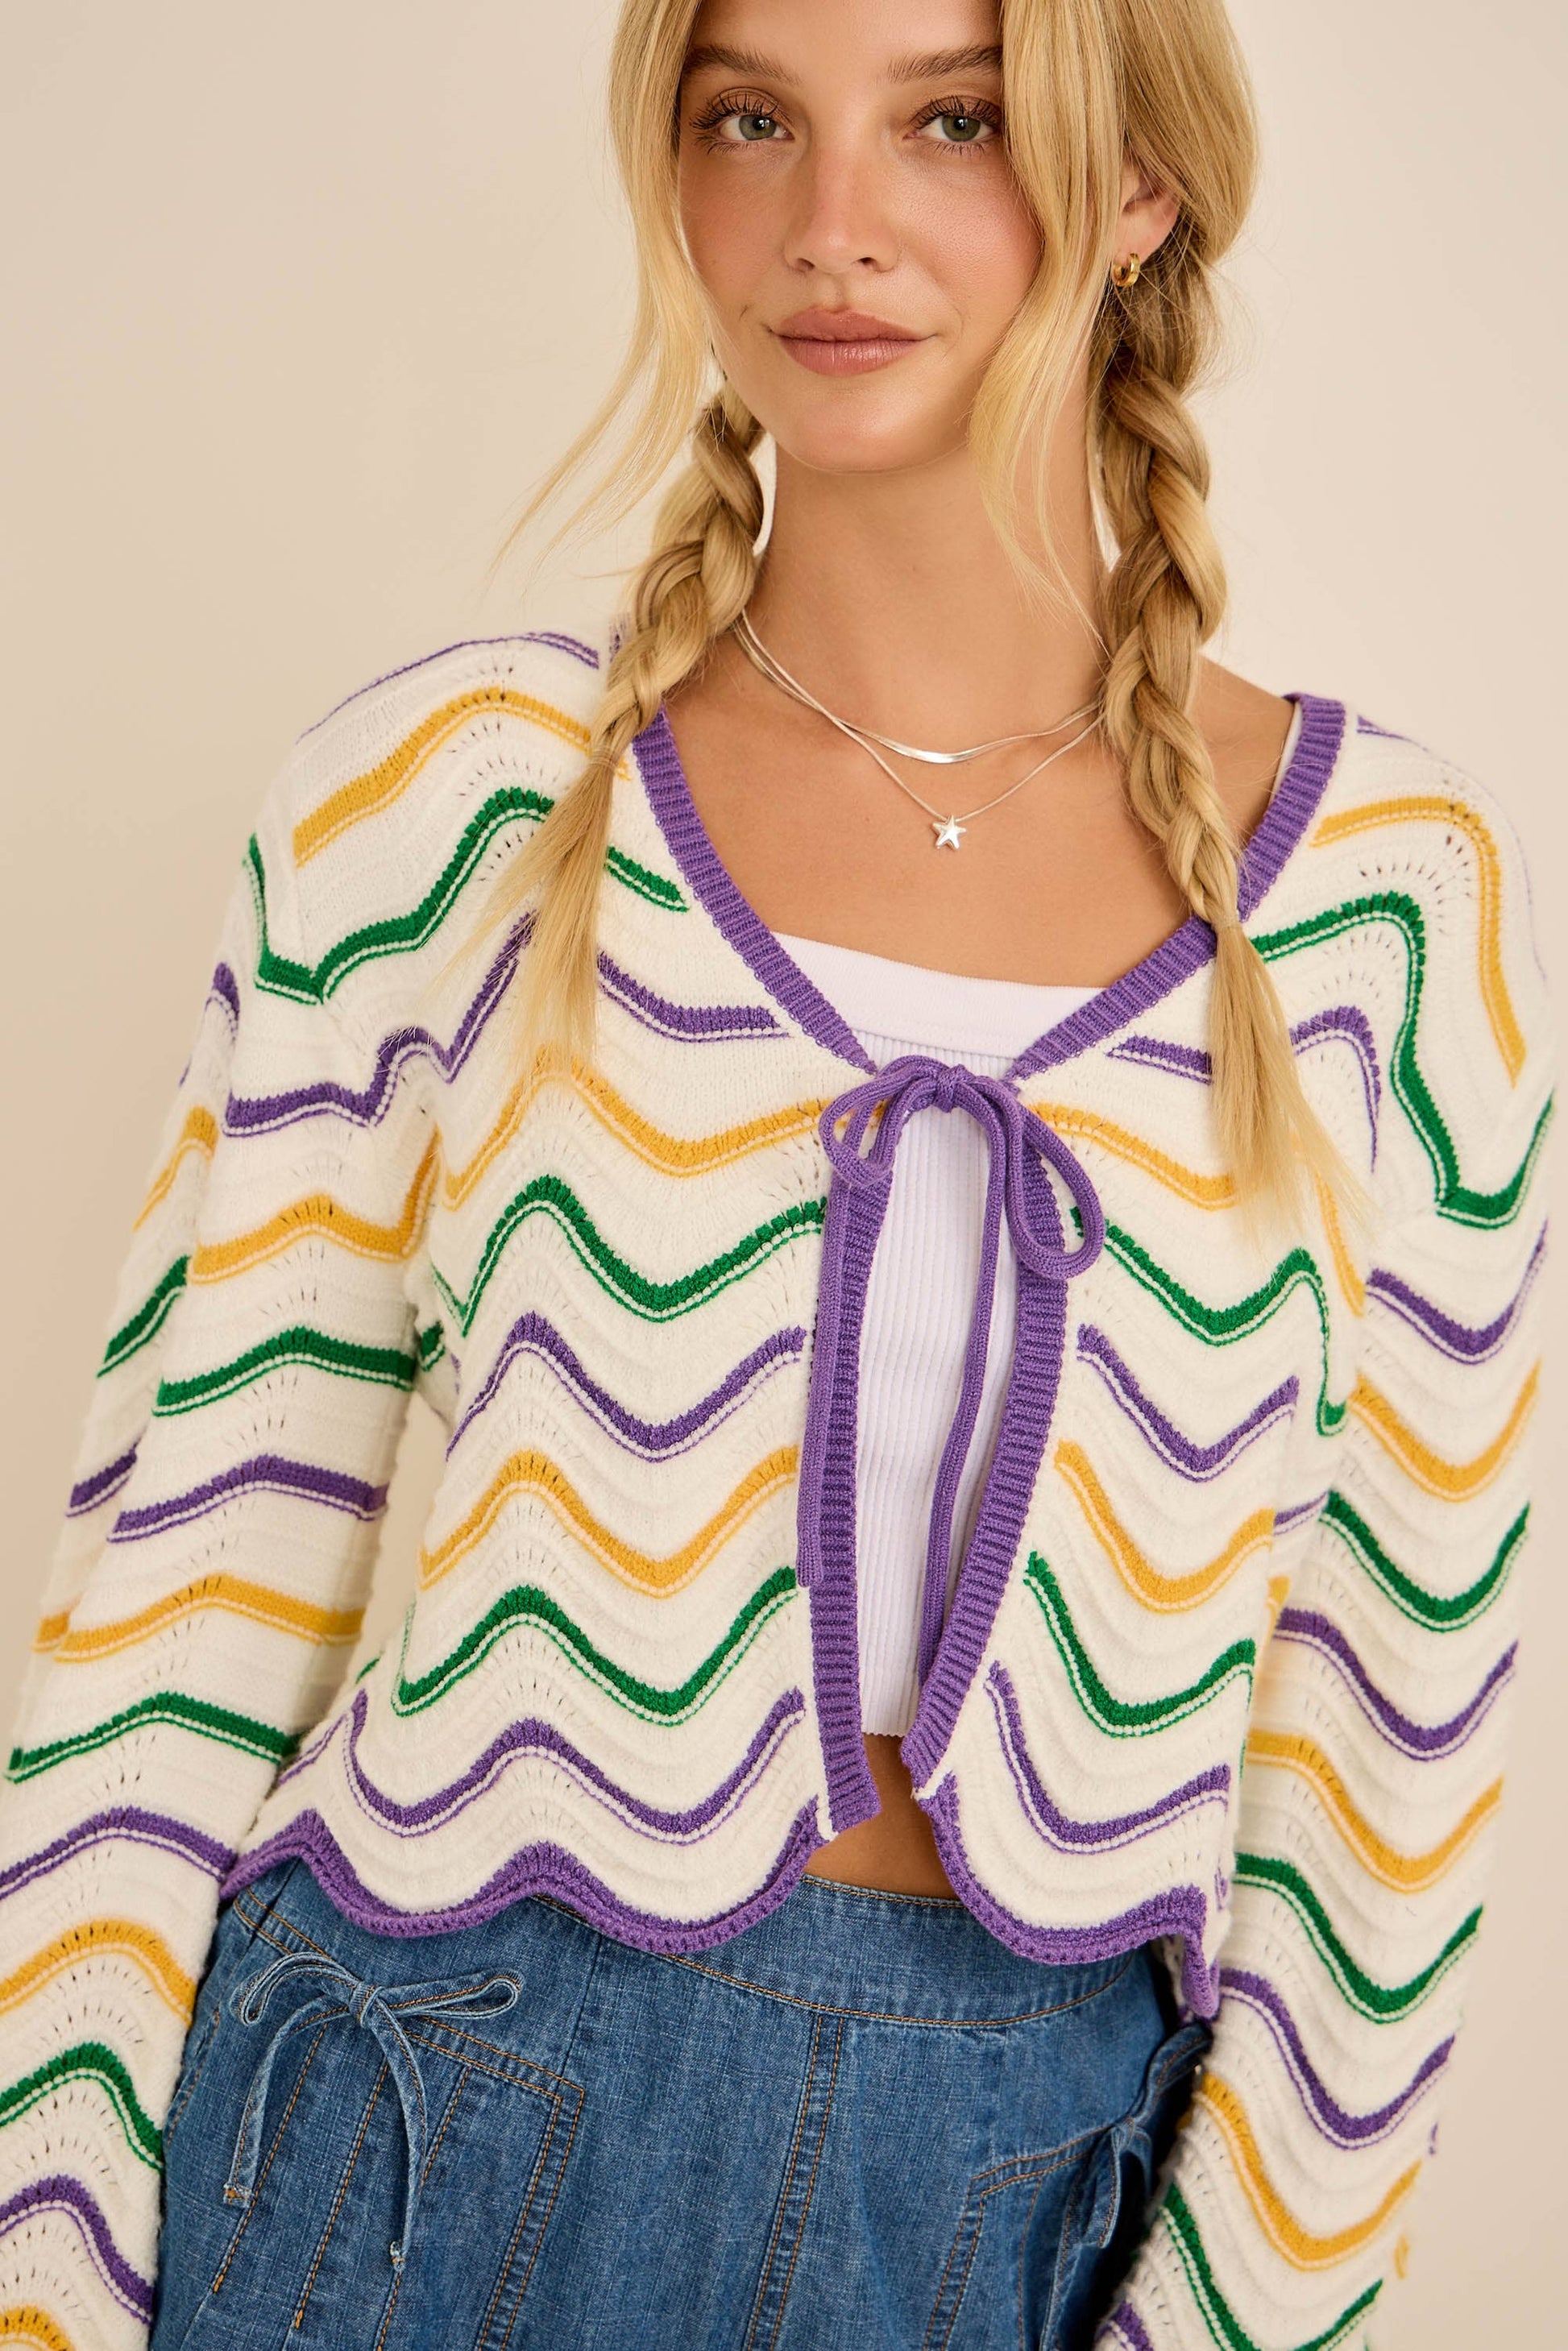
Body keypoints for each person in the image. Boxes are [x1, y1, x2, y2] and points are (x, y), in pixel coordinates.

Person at [0, 0, 1551, 2345]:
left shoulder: (1385, 916)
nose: (831, 225)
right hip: (385, 2162)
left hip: (999, 2217)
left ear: (1138, 189)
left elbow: (1384, 1789)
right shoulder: (453, 808)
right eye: (748, 119)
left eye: (954, 121)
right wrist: (49, 2280)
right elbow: (171, 1618)